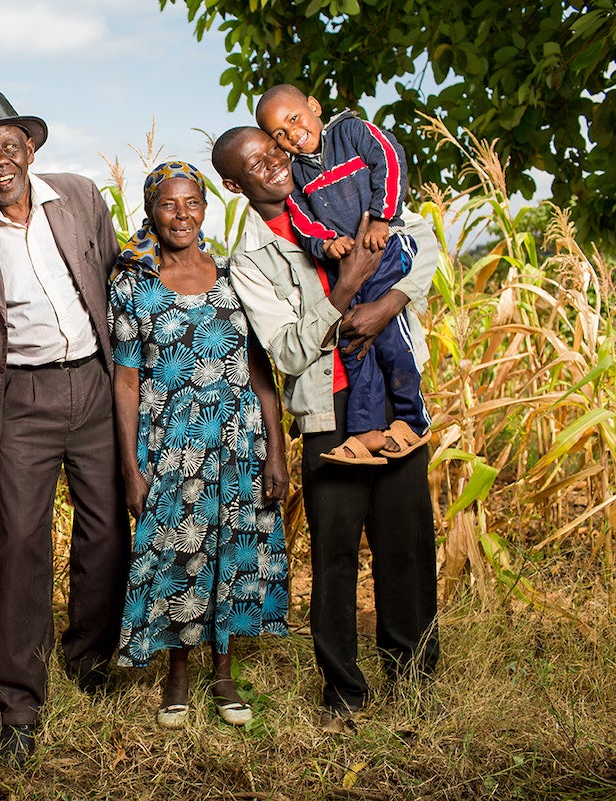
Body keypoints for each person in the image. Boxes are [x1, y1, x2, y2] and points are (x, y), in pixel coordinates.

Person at [212, 126, 439, 730]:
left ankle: (414, 678)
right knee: (335, 555)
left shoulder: (342, 189)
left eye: (275, 151)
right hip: (326, 412)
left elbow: (423, 244)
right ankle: (344, 691)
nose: (275, 164)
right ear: (234, 186)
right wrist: (342, 292)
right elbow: (286, 352)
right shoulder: (251, 262)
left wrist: (388, 304)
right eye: (255, 164)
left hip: (394, 404)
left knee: (406, 545)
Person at [0, 91, 128, 767]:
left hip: (96, 385)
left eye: (9, 145)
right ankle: (18, 700)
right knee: (21, 546)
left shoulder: (78, 196)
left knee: (105, 529)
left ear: (31, 150)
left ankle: (91, 658)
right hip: (21, 398)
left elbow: (115, 280)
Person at [109, 162, 290, 730]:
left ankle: (224, 671)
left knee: (229, 552)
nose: (181, 214)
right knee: (177, 554)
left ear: (207, 208)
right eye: (169, 204)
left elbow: (261, 371)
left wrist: (277, 451)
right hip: (171, 445)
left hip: (237, 440)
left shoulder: (236, 276)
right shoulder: (132, 283)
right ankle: (177, 674)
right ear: (150, 210)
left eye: (192, 203)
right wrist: (131, 468)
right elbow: (126, 382)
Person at [255, 84, 430, 465]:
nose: (292, 135)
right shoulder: (296, 174)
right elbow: (303, 220)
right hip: (346, 268)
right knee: (353, 343)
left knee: (391, 342)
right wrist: (328, 243)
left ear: (313, 107)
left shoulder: (350, 133)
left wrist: (383, 217)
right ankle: (366, 432)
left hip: (385, 250)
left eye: (294, 119)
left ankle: (413, 422)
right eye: (280, 135)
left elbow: (390, 158)